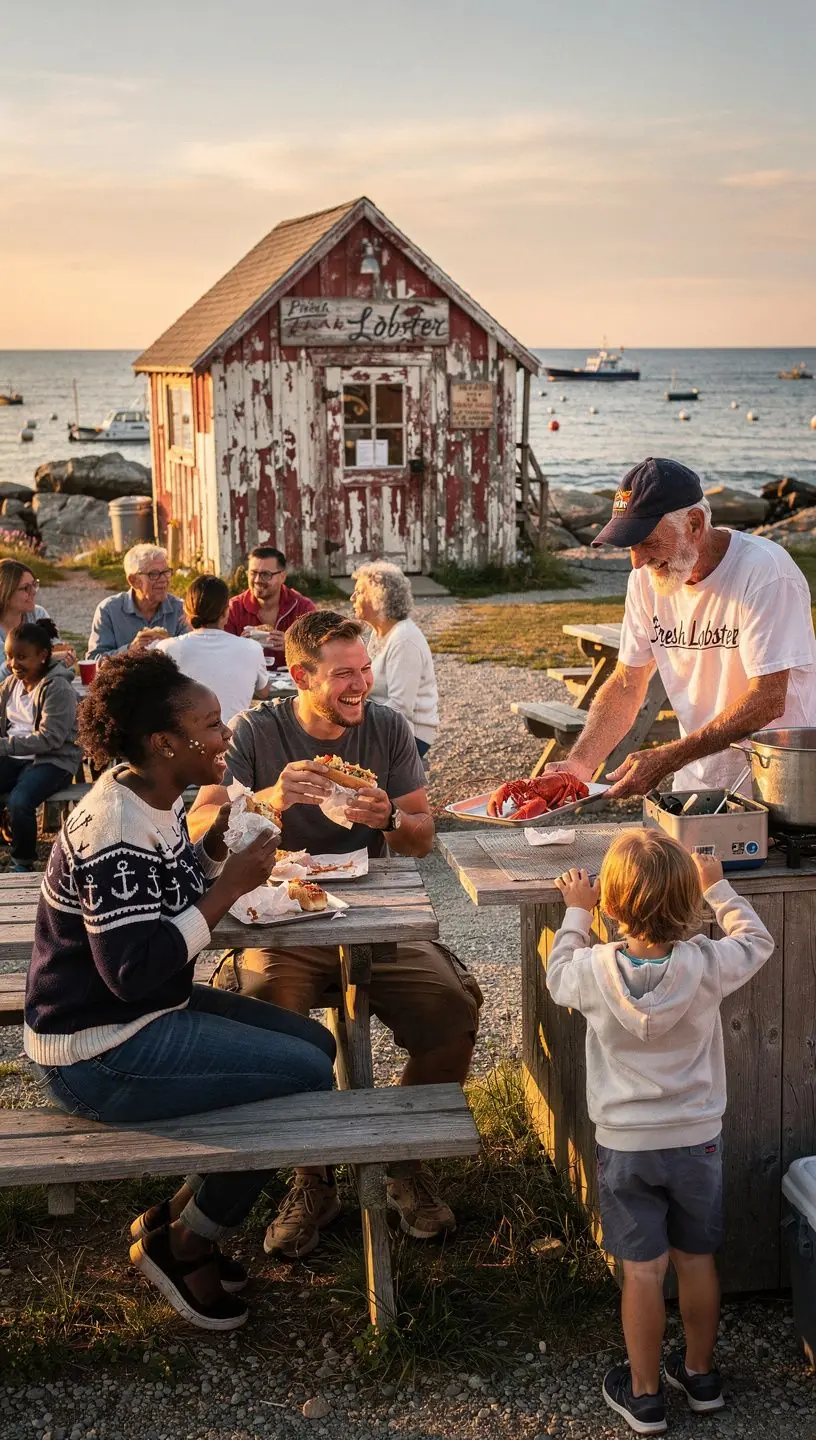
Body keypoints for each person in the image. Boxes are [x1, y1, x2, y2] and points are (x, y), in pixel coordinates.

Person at [24, 650, 335, 1332]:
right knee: (306, 1078)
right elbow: (130, 970)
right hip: (99, 1050)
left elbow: (166, 896)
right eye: (213, 726)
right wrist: (228, 889)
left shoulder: (151, 795)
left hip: (138, 1014)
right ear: (166, 743)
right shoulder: (115, 826)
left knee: (315, 1043)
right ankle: (188, 1241)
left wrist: (216, 845)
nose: (226, 737)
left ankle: (180, 1217)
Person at [189, 609, 481, 1257]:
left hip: (374, 913)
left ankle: (402, 1163)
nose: (361, 685)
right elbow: (200, 821)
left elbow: (422, 835)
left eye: (366, 670)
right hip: (282, 915)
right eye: (343, 674)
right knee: (269, 1017)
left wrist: (387, 822)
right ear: (300, 676)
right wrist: (268, 798)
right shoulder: (258, 732)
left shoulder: (385, 728)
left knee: (450, 1009)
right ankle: (311, 1176)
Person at [547, 830, 774, 1434]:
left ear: (611, 908)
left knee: (642, 1271)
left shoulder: (594, 971)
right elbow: (757, 939)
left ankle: (645, 1394)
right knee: (696, 1260)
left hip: (625, 1145)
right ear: (689, 904)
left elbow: (557, 973)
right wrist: (718, 884)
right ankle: (700, 1376)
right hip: (696, 1139)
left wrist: (576, 910)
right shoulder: (705, 964)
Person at [546, 457, 816, 800]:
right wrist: (579, 766)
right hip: (695, 787)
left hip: (779, 788)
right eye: (630, 545)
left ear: (694, 523)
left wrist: (668, 758)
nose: (636, 560)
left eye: (647, 542)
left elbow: (768, 699)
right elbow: (628, 684)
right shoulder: (644, 582)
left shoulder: (765, 572)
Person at [0, 622, 82, 871]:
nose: (14, 664)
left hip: (53, 761)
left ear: (43, 656)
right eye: (9, 656)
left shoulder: (57, 688)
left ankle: (23, 860)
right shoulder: (11, 684)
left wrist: (4, 746)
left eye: (22, 657)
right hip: (18, 757)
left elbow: (50, 739)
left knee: (20, 801)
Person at [351, 560, 439, 758]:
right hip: (382, 725)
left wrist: (353, 716)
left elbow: (400, 706)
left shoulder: (404, 639)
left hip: (410, 734)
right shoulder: (379, 633)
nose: (352, 597)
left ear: (378, 597)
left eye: (359, 591)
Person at [154, 575, 269, 724]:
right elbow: (264, 691)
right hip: (237, 740)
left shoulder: (167, 647)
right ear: (226, 612)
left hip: (187, 741)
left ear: (186, 610)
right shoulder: (252, 648)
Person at [86, 544, 189, 660]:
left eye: (166, 572)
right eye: (154, 574)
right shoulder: (108, 610)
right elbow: (93, 660)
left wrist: (170, 648)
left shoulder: (181, 609)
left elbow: (192, 656)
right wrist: (130, 650)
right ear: (133, 581)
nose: (164, 579)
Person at [225, 545, 315, 668]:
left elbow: (319, 652)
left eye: (265, 575)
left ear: (282, 577)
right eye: (253, 573)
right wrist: (239, 647)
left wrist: (292, 646)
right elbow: (219, 654)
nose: (257, 580)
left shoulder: (303, 607)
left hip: (293, 682)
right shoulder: (233, 608)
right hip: (247, 682)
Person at [0, 559, 67, 681]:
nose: (34, 592)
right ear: (5, 593)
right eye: (26, 588)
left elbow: (56, 650)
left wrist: (63, 660)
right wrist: (11, 666)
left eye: (34, 585)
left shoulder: (38, 614)